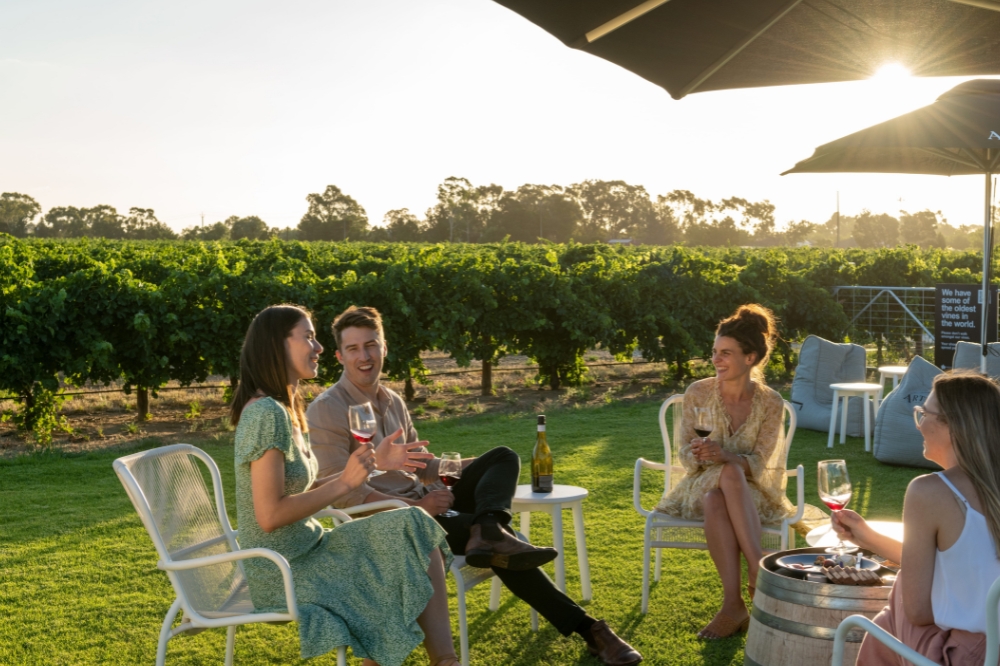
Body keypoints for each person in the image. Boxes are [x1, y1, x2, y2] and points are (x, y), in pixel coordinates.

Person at [306, 305, 643, 666]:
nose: (365, 356)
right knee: (503, 545)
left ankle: (488, 528)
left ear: (384, 347)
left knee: (502, 456)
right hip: (389, 525)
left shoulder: (393, 401)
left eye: (371, 345)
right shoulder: (327, 409)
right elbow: (340, 490)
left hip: (427, 501)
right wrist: (416, 509)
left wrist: (458, 467)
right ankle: (590, 629)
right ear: (340, 356)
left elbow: (423, 467)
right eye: (354, 349)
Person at [230, 304, 460, 666]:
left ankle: (443, 661)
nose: (319, 347)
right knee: (399, 544)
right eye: (307, 337)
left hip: (309, 546)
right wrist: (345, 484)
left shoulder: (286, 408)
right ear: (278, 345)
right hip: (282, 568)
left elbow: (304, 493)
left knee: (410, 524)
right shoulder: (265, 414)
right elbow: (270, 515)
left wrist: (374, 465)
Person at [655, 304, 812, 639]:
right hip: (698, 483)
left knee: (719, 496)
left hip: (751, 491)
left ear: (750, 357)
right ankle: (760, 570)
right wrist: (698, 452)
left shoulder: (770, 402)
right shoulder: (698, 392)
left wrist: (727, 455)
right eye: (714, 352)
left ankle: (732, 605)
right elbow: (685, 453)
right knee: (722, 478)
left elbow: (764, 462)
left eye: (726, 353)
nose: (716, 360)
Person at [832, 371, 1000, 666]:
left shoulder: (931, 491)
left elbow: (918, 612)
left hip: (969, 656)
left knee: (893, 606)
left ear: (953, 425)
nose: (919, 425)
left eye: (923, 414)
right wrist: (869, 538)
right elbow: (965, 567)